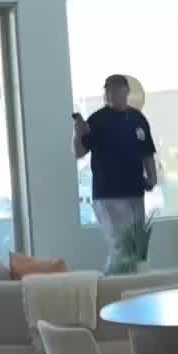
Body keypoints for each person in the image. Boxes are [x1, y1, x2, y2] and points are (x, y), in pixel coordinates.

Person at [72, 75, 157, 273]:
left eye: (115, 90)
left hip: (135, 192)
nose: (110, 94)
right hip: (107, 195)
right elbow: (79, 152)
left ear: (126, 91)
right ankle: (112, 283)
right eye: (107, 90)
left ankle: (131, 281)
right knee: (119, 245)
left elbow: (147, 151)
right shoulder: (97, 120)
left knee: (135, 246)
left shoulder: (138, 119)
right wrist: (77, 133)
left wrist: (152, 176)